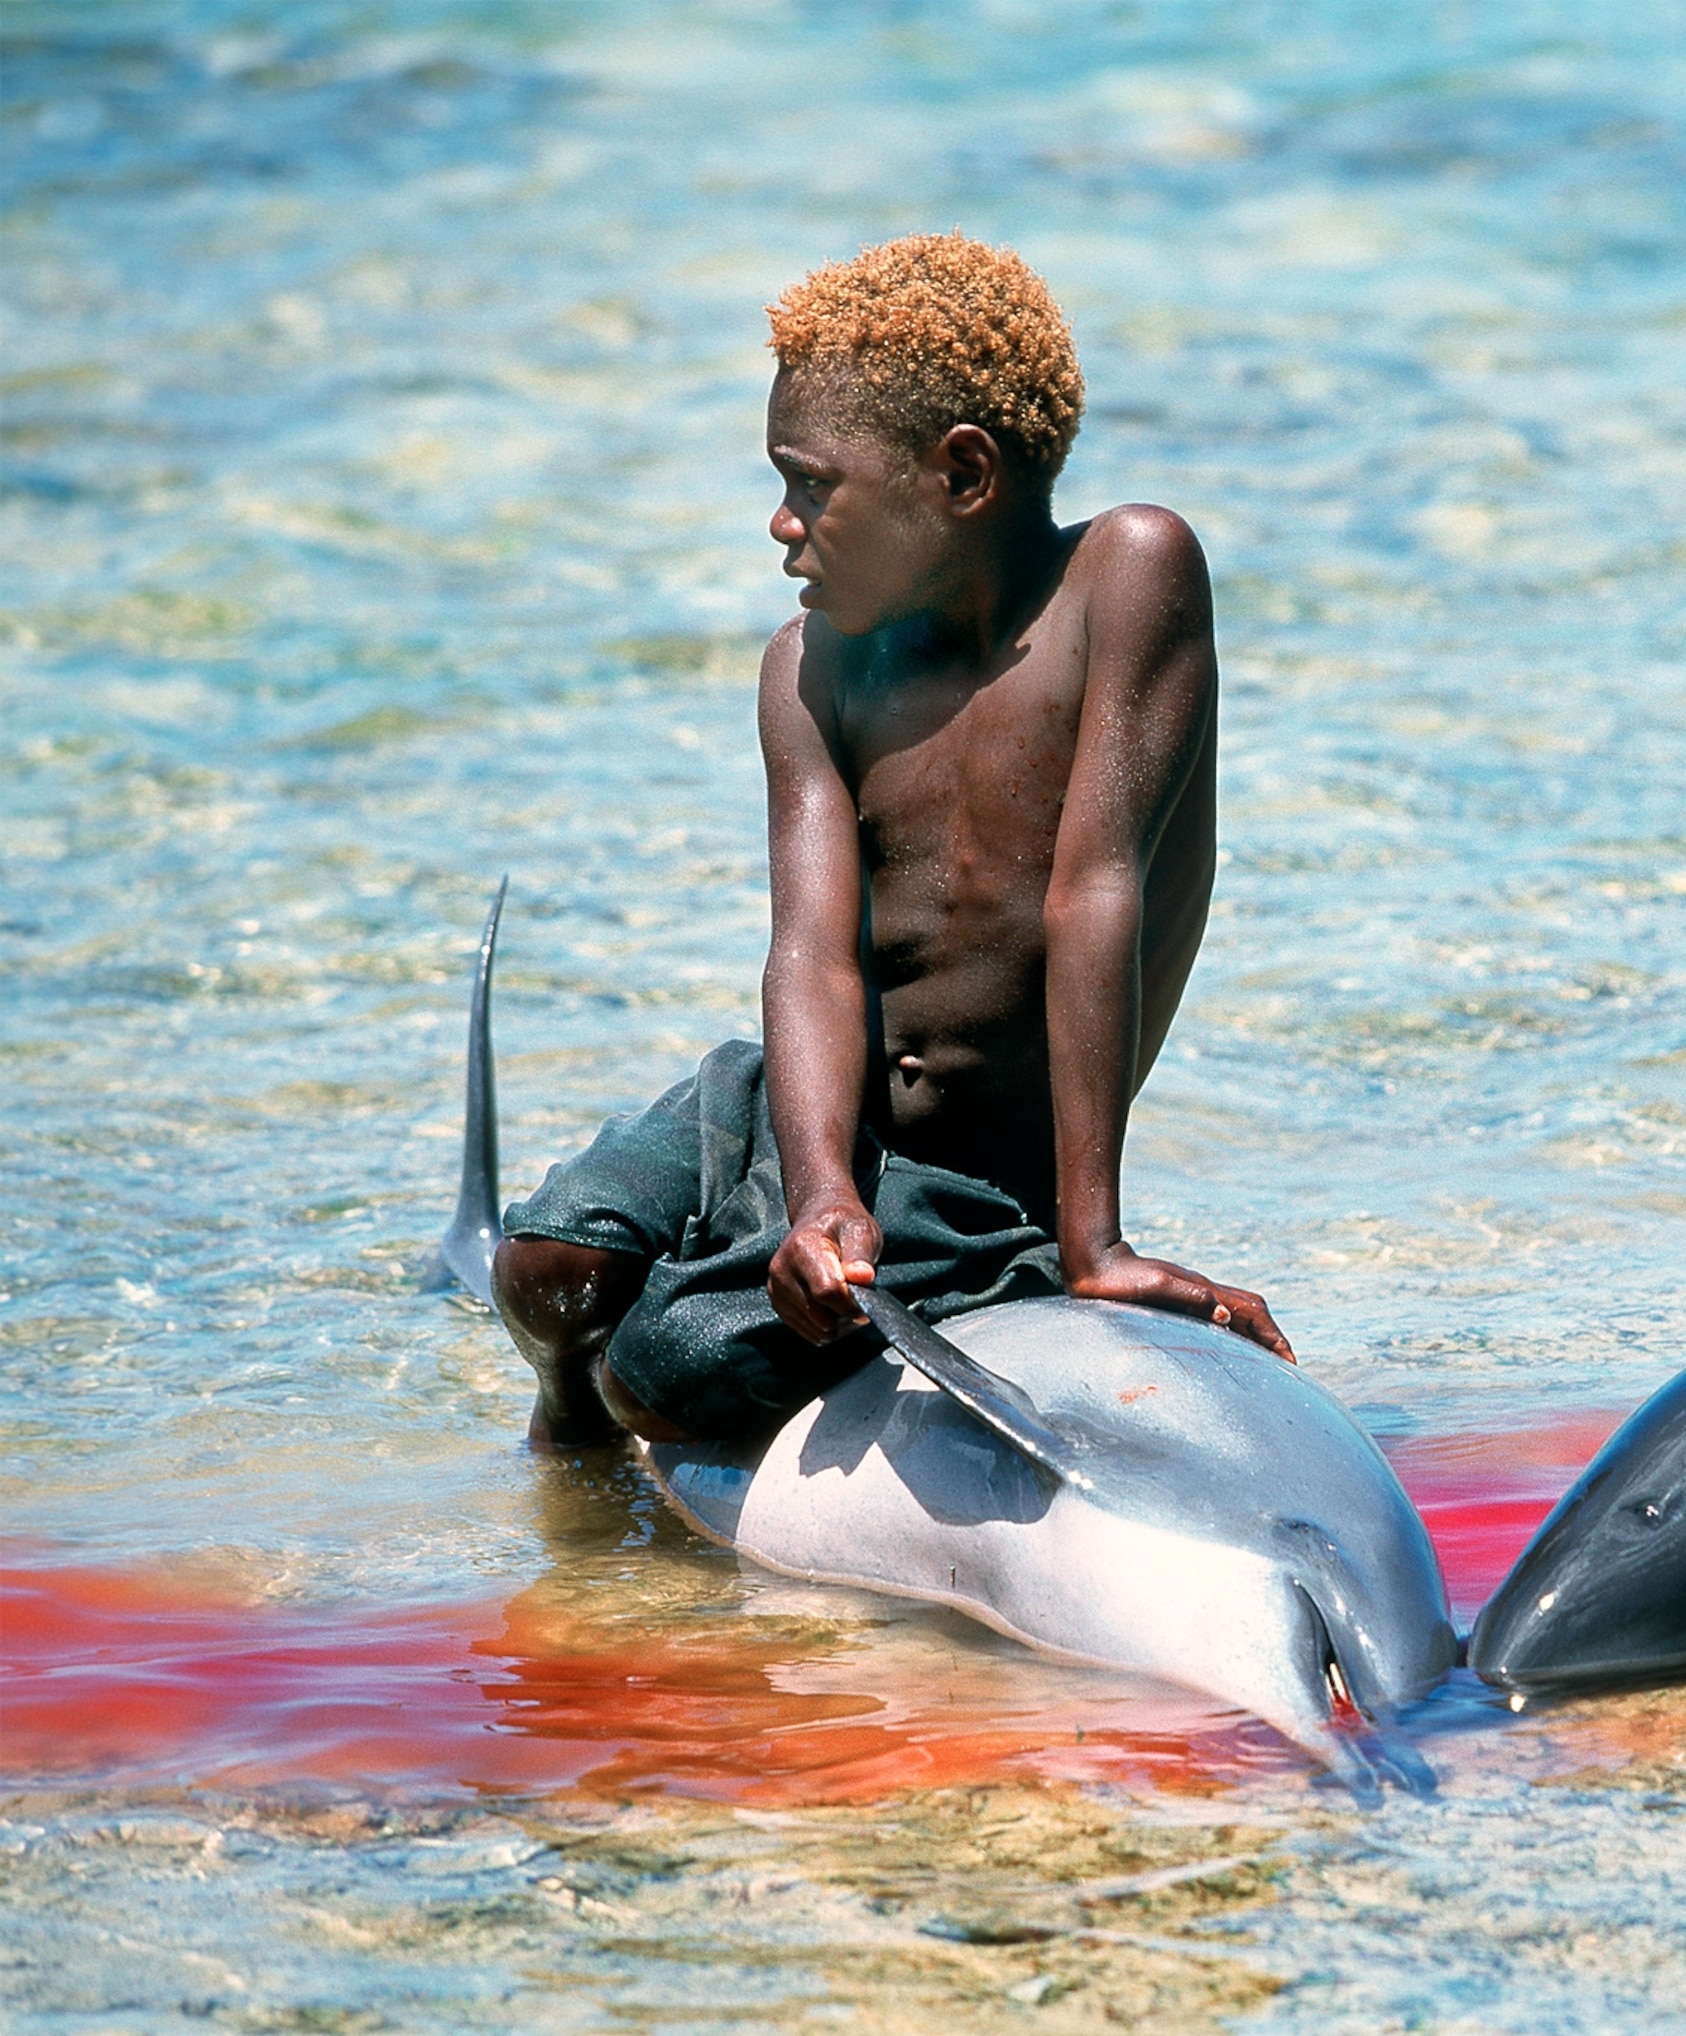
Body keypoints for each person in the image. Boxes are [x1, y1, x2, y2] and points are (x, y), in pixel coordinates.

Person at [492, 232, 1290, 1450]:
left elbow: (1097, 892)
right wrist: (817, 1192)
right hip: (796, 1102)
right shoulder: (813, 667)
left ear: (960, 475)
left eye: (813, 483)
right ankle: (578, 1437)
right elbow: (812, 955)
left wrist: (1098, 1244)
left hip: (969, 1178)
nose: (781, 522)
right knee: (545, 1271)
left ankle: (893, 1287)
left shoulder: (1130, 575)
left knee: (662, 1365)